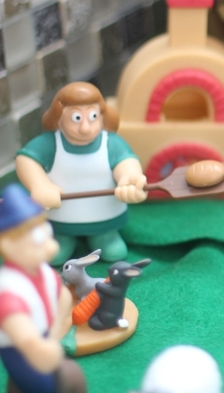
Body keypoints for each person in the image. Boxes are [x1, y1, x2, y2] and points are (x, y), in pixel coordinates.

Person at [16, 82, 147, 265]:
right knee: (56, 251)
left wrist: (129, 179)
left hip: (105, 216)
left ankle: (105, 237)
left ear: (102, 115)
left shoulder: (111, 143)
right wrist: (40, 184)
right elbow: (26, 160)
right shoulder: (50, 143)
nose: (85, 128)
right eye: (76, 118)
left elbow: (126, 162)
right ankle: (63, 239)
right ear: (59, 117)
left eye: (92, 116)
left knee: (114, 250)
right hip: (60, 218)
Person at [0, 184, 87, 393]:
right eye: (38, 240)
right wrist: (40, 348)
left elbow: (63, 297)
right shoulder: (10, 288)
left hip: (45, 337)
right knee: (42, 386)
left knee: (64, 378)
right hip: (18, 351)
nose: (50, 246)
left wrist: (53, 334)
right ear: (7, 244)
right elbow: (22, 334)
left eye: (47, 234)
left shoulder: (44, 271)